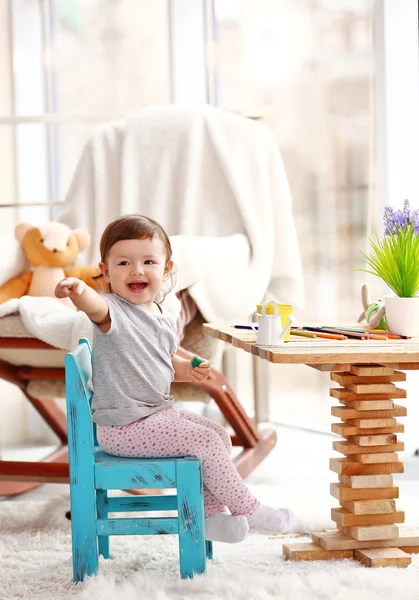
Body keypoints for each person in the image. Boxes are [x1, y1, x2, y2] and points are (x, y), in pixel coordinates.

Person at [55, 214, 293, 543]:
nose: (136, 270)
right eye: (124, 262)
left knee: (219, 437)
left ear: (166, 270)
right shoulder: (112, 312)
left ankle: (209, 517)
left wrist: (188, 369)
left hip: (154, 416)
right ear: (106, 271)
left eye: (148, 261)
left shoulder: (162, 316)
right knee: (205, 443)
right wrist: (78, 290)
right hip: (125, 428)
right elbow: (92, 305)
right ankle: (249, 509)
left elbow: (167, 360)